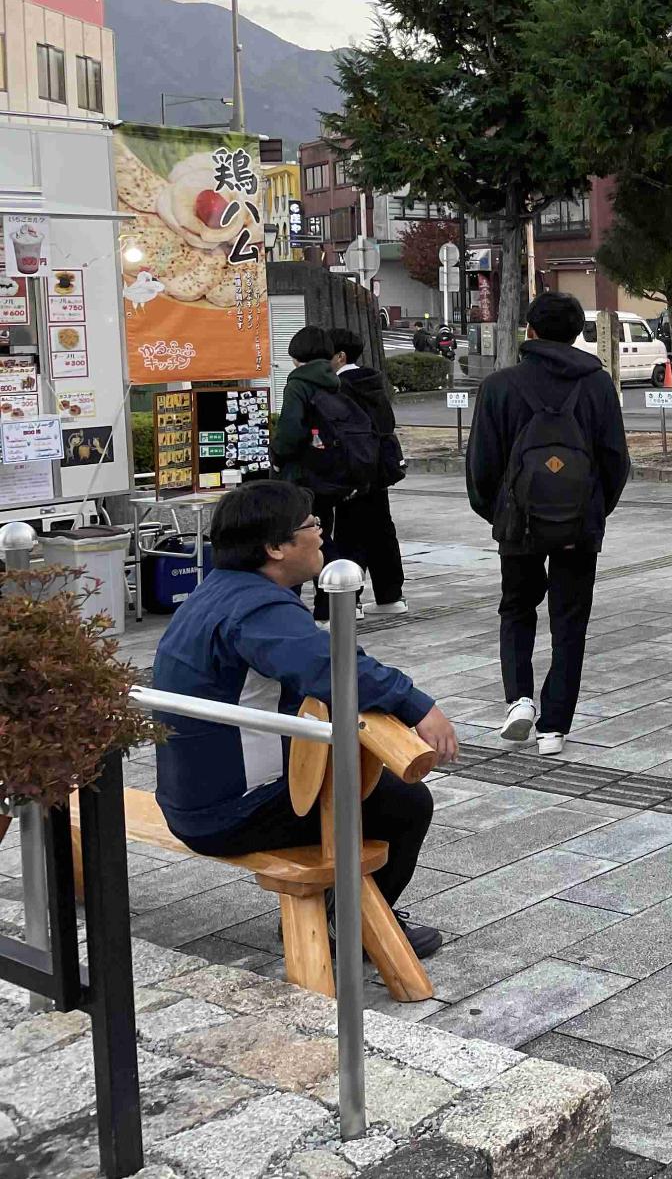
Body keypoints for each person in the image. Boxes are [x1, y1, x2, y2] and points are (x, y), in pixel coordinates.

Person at [149, 480, 459, 956]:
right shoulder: (257, 608)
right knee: (406, 804)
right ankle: (351, 927)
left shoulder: (220, 589)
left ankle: (341, 914)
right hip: (227, 812)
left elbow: (312, 669)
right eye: (311, 525)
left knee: (364, 786)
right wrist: (417, 705)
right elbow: (334, 667)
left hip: (190, 797)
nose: (320, 534)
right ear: (275, 547)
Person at [467, 291, 632, 757]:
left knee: (517, 608)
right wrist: (594, 510)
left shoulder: (500, 386)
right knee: (570, 620)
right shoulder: (598, 384)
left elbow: (481, 465)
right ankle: (554, 727)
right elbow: (615, 460)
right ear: (578, 333)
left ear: (530, 331)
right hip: (579, 523)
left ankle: (519, 700)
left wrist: (499, 514)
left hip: (518, 523)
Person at [272, 325, 354, 626]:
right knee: (321, 535)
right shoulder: (334, 381)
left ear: (297, 356)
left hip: (301, 477)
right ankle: (328, 609)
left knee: (293, 541)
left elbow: (289, 432)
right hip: (328, 475)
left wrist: (277, 458)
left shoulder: (298, 383)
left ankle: (285, 612)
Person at [327, 326, 409, 616]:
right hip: (380, 472)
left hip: (354, 471)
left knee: (349, 534)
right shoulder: (373, 383)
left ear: (340, 355)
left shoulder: (340, 388)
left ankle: (350, 601)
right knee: (382, 531)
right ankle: (391, 596)